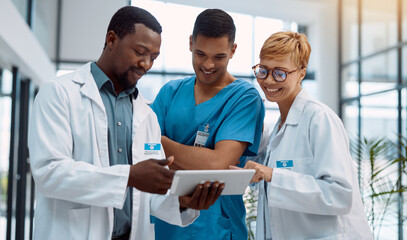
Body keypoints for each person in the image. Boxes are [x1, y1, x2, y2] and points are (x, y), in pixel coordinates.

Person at [28, 6, 224, 240]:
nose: (146, 64)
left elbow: (146, 198)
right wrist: (129, 176)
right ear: (111, 39)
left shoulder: (146, 114)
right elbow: (49, 174)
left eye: (153, 57)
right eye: (140, 52)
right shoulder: (59, 94)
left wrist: (182, 201)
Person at [233, 31, 373, 239]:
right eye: (263, 71)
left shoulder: (319, 119)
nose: (269, 81)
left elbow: (340, 195)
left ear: (301, 72)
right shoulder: (278, 129)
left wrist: (272, 175)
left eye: (280, 73)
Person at [150, 8, 265, 240]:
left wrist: (160, 141)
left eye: (219, 57)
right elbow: (145, 157)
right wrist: (195, 160)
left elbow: (217, 163)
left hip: (216, 227)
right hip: (164, 223)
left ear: (233, 50)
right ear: (191, 43)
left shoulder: (244, 98)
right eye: (201, 54)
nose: (208, 65)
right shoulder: (169, 92)